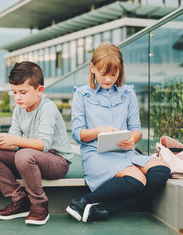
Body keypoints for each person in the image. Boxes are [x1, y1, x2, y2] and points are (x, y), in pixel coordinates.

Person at [66, 43, 171, 222]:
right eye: (103, 73)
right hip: (96, 155)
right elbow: (77, 134)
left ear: (120, 71)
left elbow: (136, 129)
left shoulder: (128, 93)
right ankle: (82, 202)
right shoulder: (82, 95)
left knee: (162, 170)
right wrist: (99, 131)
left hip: (125, 152)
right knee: (137, 179)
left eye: (113, 74)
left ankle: (104, 210)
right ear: (92, 68)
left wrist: (132, 139)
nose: (108, 79)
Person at [0, 61, 73, 225]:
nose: (17, 97)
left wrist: (14, 140)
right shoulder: (19, 109)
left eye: (23, 92)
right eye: (14, 92)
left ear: (39, 90)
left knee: (24, 155)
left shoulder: (47, 107)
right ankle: (20, 200)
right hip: (31, 158)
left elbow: (43, 144)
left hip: (57, 162)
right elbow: (13, 143)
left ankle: (39, 205)